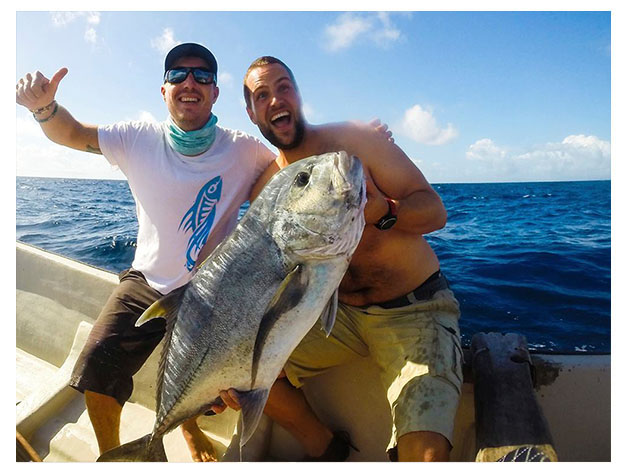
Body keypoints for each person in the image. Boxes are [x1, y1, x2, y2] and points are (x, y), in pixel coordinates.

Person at [15, 43, 277, 461]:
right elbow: (72, 133)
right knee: (96, 365)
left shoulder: (244, 149)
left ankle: (190, 429)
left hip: (212, 291)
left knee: (216, 383)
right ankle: (119, 458)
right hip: (146, 281)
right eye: (177, 74)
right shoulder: (136, 138)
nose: (189, 82)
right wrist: (44, 108)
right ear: (163, 90)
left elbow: (288, 169)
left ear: (215, 93)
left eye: (202, 75)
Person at [212, 56, 463, 462]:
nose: (276, 99)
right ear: (251, 111)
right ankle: (324, 445)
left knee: (426, 454)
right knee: (240, 373)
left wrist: (386, 212)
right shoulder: (268, 189)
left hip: (413, 307)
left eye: (283, 87)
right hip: (333, 315)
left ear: (297, 94)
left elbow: (434, 211)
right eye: (262, 95)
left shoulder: (356, 143)